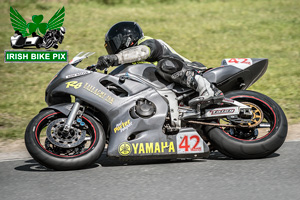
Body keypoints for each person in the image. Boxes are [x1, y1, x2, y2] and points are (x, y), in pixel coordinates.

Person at [96, 21, 224, 108]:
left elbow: (143, 52)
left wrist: (114, 58)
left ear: (126, 39)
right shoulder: (130, 63)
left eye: (114, 43)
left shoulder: (148, 43)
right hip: (168, 91)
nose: (113, 49)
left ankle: (207, 89)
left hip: (189, 73)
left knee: (165, 65)